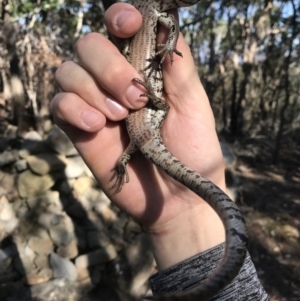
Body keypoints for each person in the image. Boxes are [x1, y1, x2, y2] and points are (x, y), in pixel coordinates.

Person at [51, 3, 269, 300]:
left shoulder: (154, 15)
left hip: (142, 134)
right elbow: (158, 107)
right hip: (144, 130)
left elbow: (170, 39)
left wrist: (126, 159)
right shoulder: (152, 14)